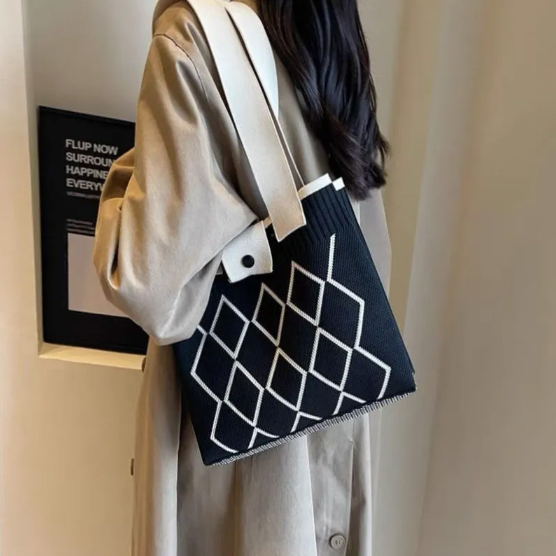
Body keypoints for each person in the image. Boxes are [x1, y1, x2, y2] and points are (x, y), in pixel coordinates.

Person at [93, 0, 392, 554]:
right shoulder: (326, 24)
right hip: (326, 394)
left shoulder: (192, 35)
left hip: (235, 443)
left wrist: (127, 176)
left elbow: (146, 281)